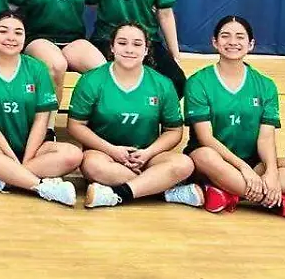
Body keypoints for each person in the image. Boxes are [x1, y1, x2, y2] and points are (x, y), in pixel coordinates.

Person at [185, 16, 285, 221]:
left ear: (251, 44)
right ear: (215, 42)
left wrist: (271, 172)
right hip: (214, 161)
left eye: (240, 37)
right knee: (204, 155)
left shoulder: (266, 85)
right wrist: (243, 168)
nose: (233, 42)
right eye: (225, 36)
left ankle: (231, 193)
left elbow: (266, 137)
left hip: (254, 163)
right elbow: (206, 138)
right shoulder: (198, 82)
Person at [67, 22, 202, 208]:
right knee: (92, 166)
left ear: (146, 50)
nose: (129, 49)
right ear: (112, 47)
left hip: (146, 156)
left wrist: (147, 153)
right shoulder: (91, 80)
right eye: (122, 43)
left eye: (137, 44)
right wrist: (113, 150)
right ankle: (161, 189)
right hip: (105, 154)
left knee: (184, 164)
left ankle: (119, 193)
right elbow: (75, 126)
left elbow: (173, 131)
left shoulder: (162, 84)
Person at [0, 10, 81, 206]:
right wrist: (10, 158)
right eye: (3, 31)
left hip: (34, 150)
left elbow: (42, 119)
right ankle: (42, 187)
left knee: (73, 155)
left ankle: (1, 179)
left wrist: (23, 163)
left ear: (25, 37)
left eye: (18, 32)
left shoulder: (37, 69)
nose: (11, 38)